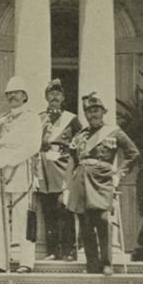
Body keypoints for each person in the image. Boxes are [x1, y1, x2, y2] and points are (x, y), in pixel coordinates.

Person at [66, 92, 139, 276]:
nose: (93, 114)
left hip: (102, 180)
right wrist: (68, 185)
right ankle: (91, 265)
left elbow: (133, 153)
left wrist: (119, 175)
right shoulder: (80, 136)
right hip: (81, 180)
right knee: (85, 224)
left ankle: (106, 263)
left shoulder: (114, 131)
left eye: (96, 110)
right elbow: (72, 160)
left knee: (103, 221)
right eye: (89, 111)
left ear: (103, 111)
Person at [0, 76, 41, 273]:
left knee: (23, 218)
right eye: (9, 93)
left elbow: (33, 146)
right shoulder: (0, 120)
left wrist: (7, 160)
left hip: (19, 170)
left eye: (17, 92)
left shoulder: (32, 119)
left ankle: (26, 262)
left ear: (25, 96)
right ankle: (2, 262)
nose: (13, 96)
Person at [37, 79, 83, 261]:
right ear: (46, 97)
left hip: (63, 167)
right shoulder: (39, 118)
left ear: (63, 97)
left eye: (58, 93)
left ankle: (70, 250)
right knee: (48, 210)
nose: (54, 96)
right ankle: (53, 250)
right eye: (51, 93)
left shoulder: (71, 119)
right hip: (44, 169)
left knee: (64, 208)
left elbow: (80, 142)